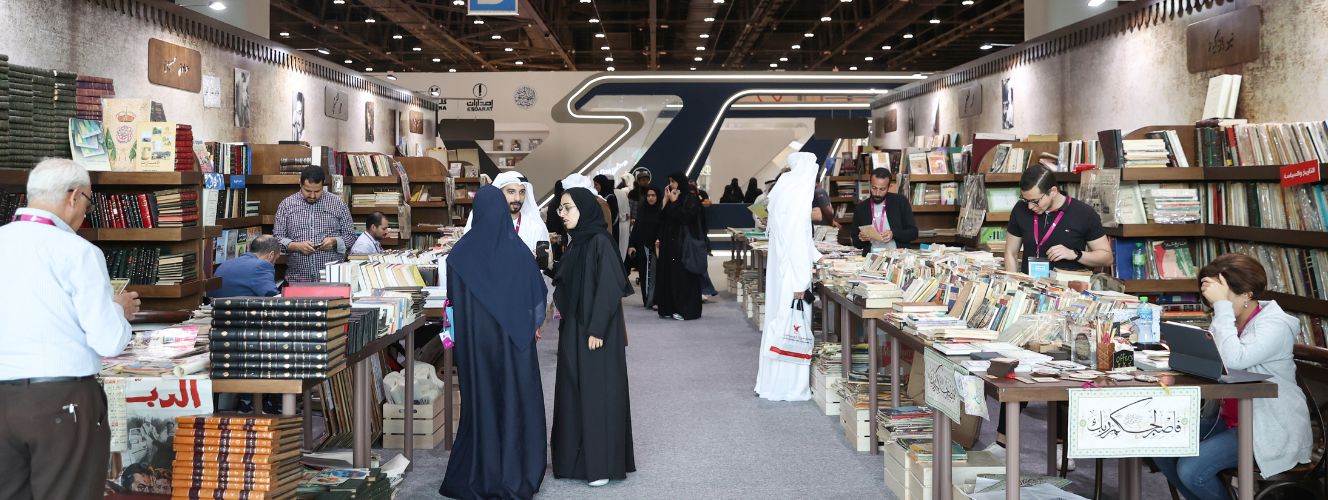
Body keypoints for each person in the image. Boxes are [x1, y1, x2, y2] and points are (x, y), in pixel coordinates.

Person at [0, 159, 140, 499]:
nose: (85, 213)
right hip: (62, 400)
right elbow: (108, 340)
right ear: (74, 196)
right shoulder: (77, 251)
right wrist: (119, 311)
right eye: (88, 203)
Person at [1153, 254, 1311, 499]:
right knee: (1159, 444)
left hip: (1266, 429)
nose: (1215, 304)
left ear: (1247, 293)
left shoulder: (1274, 325)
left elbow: (1233, 359)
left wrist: (1222, 307)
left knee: (1192, 470)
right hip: (1229, 420)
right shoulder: (1231, 319)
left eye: (1221, 296)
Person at [439, 186, 549, 500]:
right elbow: (537, 296)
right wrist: (527, 326)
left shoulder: (459, 254)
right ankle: (515, 468)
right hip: (513, 345)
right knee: (514, 398)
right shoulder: (517, 252)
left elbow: (453, 303)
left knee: (481, 400)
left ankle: (482, 468)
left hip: (476, 346)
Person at [550, 187, 635, 487]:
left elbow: (610, 288)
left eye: (568, 208)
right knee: (574, 390)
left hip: (596, 331)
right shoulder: (578, 242)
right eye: (560, 209)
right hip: (575, 329)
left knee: (597, 394)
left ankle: (600, 465)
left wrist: (597, 328)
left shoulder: (600, 241)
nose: (563, 214)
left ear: (584, 209)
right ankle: (574, 462)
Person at [754, 153, 823, 401]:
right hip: (794, 277)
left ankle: (774, 383)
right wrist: (801, 283)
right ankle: (790, 387)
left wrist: (819, 257)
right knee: (792, 328)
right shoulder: (797, 197)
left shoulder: (783, 191)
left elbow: (797, 238)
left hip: (783, 275)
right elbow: (797, 244)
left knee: (780, 323)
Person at [1003, 164, 1112, 274]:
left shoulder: (1084, 213)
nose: (1030, 206)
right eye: (1026, 200)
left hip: (1068, 284)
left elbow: (1107, 258)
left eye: (1035, 201)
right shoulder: (1020, 209)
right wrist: (1012, 282)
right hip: (1030, 283)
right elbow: (1011, 253)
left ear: (1053, 192)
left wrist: (1075, 254)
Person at [273, 165, 356, 282]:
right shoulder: (286, 205)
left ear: (323, 185)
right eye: (307, 191)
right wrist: (297, 246)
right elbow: (277, 240)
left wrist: (334, 241)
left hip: (331, 280)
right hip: (297, 279)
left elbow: (351, 237)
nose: (312, 196)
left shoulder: (338, 203)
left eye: (317, 191)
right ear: (300, 184)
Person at [655, 172, 704, 320]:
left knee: (684, 277)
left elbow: (686, 218)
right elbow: (662, 219)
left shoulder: (690, 198)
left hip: (684, 245)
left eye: (673, 181)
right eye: (670, 181)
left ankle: (686, 310)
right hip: (670, 244)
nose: (671, 185)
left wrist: (675, 202)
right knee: (671, 275)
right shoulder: (672, 198)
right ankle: (670, 307)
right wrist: (665, 201)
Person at [464, 171, 551, 255]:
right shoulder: (482, 222)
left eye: (522, 192)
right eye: (511, 192)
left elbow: (542, 264)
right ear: (498, 194)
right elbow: (468, 252)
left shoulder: (535, 229)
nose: (517, 198)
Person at [849, 168, 918, 256]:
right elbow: (855, 242)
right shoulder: (861, 208)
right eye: (874, 188)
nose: (877, 193)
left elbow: (913, 233)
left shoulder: (900, 202)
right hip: (871, 258)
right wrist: (861, 238)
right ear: (870, 184)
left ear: (888, 187)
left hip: (897, 257)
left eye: (882, 189)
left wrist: (893, 234)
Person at [211, 234, 281, 298]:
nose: (274, 264)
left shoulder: (224, 264)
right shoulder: (262, 266)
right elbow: (274, 298)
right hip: (240, 307)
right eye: (276, 259)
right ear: (271, 255)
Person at [628, 186, 662, 308]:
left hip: (656, 249)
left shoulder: (661, 212)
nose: (650, 198)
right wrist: (632, 245)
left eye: (653, 195)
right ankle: (647, 300)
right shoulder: (643, 210)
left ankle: (655, 300)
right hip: (643, 248)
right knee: (644, 275)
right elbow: (636, 229)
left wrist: (659, 240)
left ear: (658, 197)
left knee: (656, 275)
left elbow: (663, 229)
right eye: (648, 195)